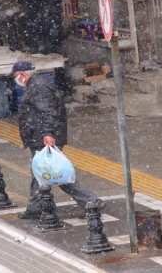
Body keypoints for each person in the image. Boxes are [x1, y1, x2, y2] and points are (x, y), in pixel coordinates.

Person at [8, 60, 106, 219]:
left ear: (23, 75)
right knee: (41, 173)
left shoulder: (38, 88)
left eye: (15, 76)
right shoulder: (38, 85)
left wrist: (47, 133)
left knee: (56, 174)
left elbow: (48, 112)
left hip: (44, 138)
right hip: (41, 136)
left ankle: (91, 201)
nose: (15, 80)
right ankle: (36, 207)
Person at [21, 0, 69, 95]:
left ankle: (51, 88)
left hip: (43, 35)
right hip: (55, 33)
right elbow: (56, 14)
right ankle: (62, 86)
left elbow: (34, 18)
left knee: (45, 62)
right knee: (57, 60)